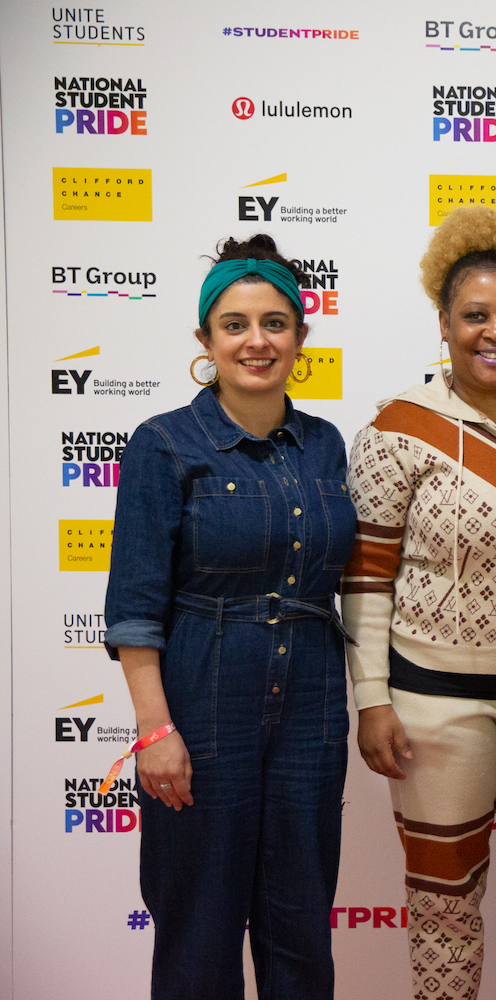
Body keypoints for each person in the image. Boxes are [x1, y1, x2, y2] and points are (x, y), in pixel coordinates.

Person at [341, 206, 496, 1000]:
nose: (495, 332)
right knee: (445, 905)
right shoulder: (398, 429)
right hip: (434, 709)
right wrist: (372, 699)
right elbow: (366, 577)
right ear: (444, 323)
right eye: (476, 315)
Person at [103, 235, 355, 999]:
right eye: (235, 325)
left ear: (301, 337)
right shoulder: (164, 445)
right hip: (202, 708)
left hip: (312, 710)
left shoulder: (325, 445)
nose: (257, 341)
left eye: (275, 323)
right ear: (205, 339)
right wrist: (155, 731)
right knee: (198, 931)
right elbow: (135, 609)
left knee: (302, 930)